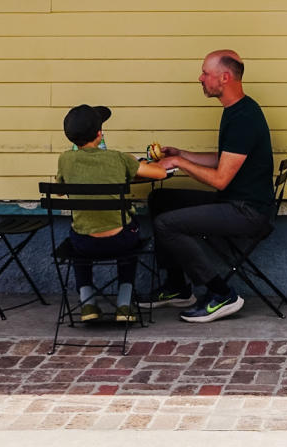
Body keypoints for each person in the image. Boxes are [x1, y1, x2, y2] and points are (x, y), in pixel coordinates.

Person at [144, 50, 275, 324]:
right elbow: (225, 160)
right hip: (235, 202)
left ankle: (222, 293)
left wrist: (179, 162)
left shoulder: (243, 118)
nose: (200, 78)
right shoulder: (237, 110)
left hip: (247, 212)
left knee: (167, 224)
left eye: (205, 73)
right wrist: (184, 153)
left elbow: (220, 179)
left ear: (224, 77)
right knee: (161, 201)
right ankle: (178, 287)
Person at [57, 104, 170, 323]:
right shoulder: (119, 158)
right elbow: (160, 173)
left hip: (84, 245)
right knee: (132, 228)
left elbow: (60, 192)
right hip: (121, 242)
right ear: (100, 134)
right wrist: (143, 163)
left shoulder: (65, 160)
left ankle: (87, 302)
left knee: (78, 229)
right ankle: (124, 305)